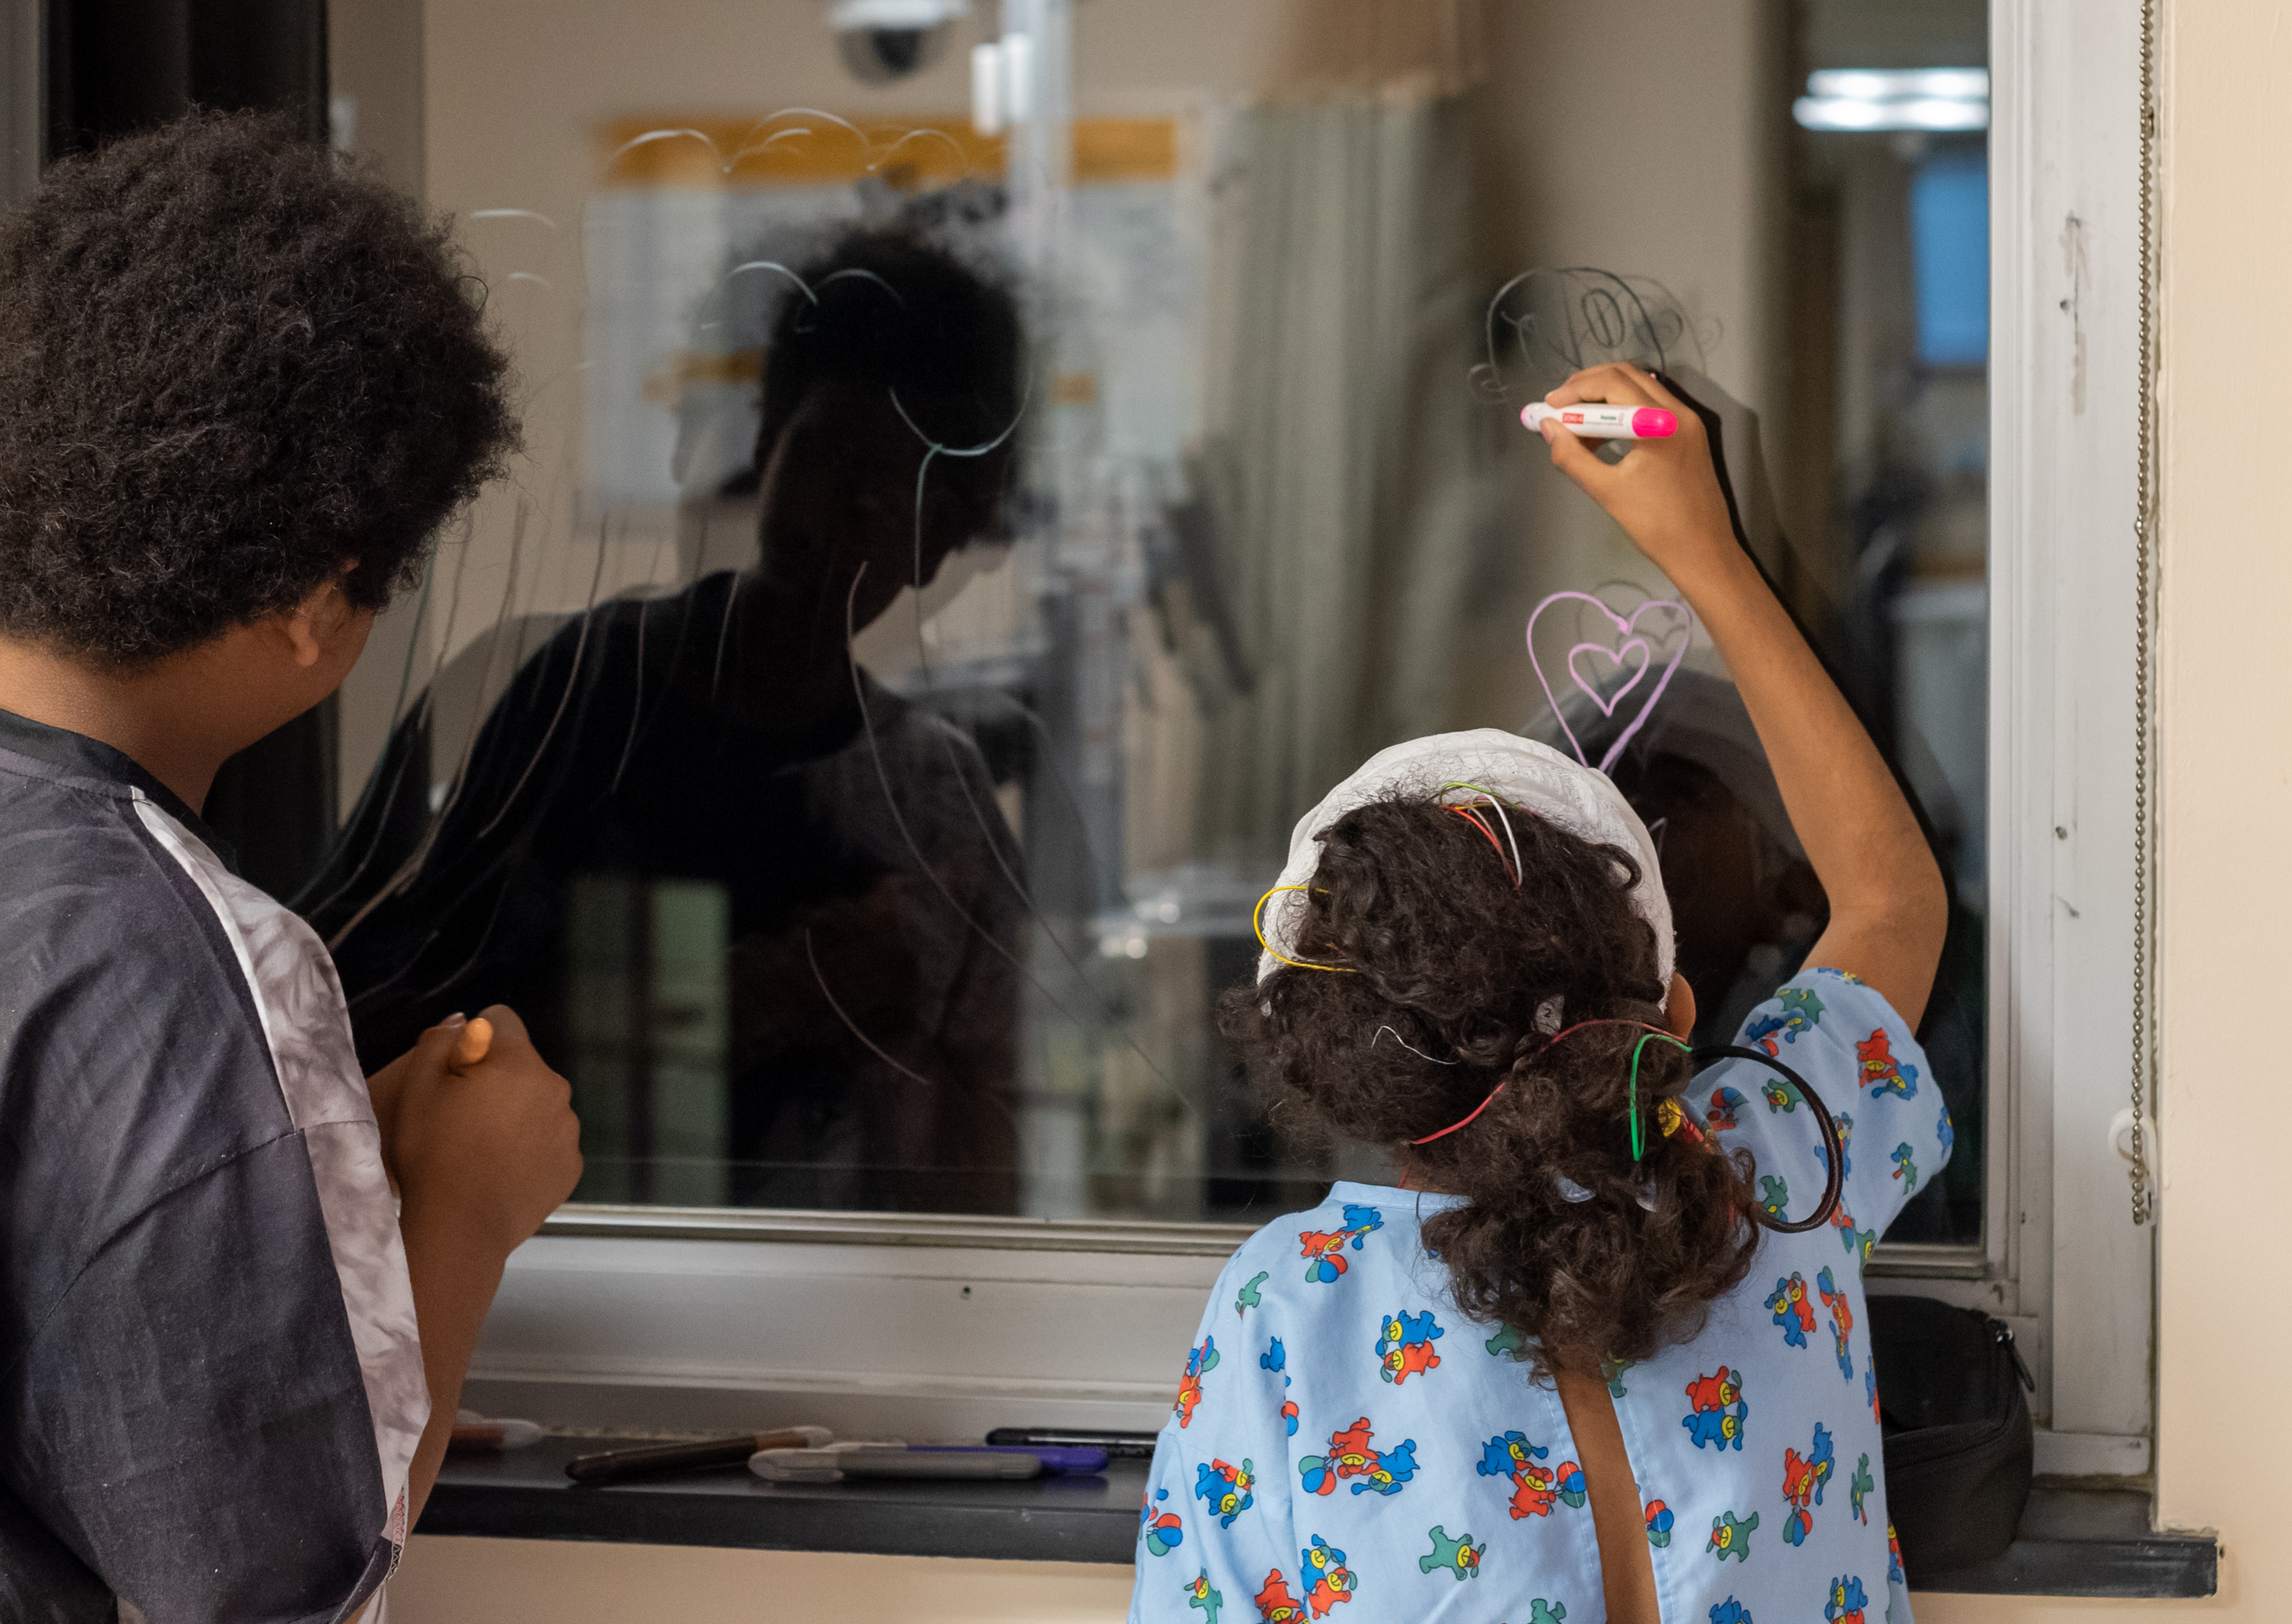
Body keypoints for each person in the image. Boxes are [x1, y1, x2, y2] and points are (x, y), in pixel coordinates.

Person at [0, 113, 580, 1624]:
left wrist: (305, 1153)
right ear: (320, 599)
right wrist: (460, 1203)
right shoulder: (195, 967)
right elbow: (281, 1587)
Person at [1128, 364, 1950, 1624]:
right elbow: (1892, 903)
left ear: (1351, 1069)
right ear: (1673, 1013)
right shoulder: (1775, 1182)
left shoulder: (1293, 1310)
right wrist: (1706, 551)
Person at [315, 228, 1028, 1214]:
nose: (852, 513)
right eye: (830, 455)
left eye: (902, 487)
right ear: (767, 450)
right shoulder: (587, 693)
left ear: (945, 539)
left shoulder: (929, 789)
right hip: (573, 1266)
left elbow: (997, 1140)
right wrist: (785, 986)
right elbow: (408, 1023)